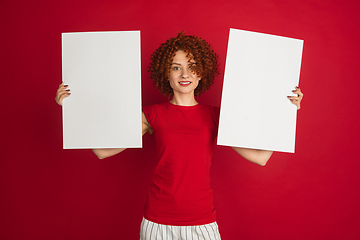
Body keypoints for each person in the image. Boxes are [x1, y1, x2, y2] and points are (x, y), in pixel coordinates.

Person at [55, 32, 303, 240]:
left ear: (202, 72)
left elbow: (260, 157)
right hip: (157, 222)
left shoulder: (216, 116)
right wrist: (74, 109)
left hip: (202, 222)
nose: (185, 74)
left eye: (192, 67)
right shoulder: (151, 115)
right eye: (176, 67)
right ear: (166, 73)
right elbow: (102, 151)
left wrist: (284, 113)